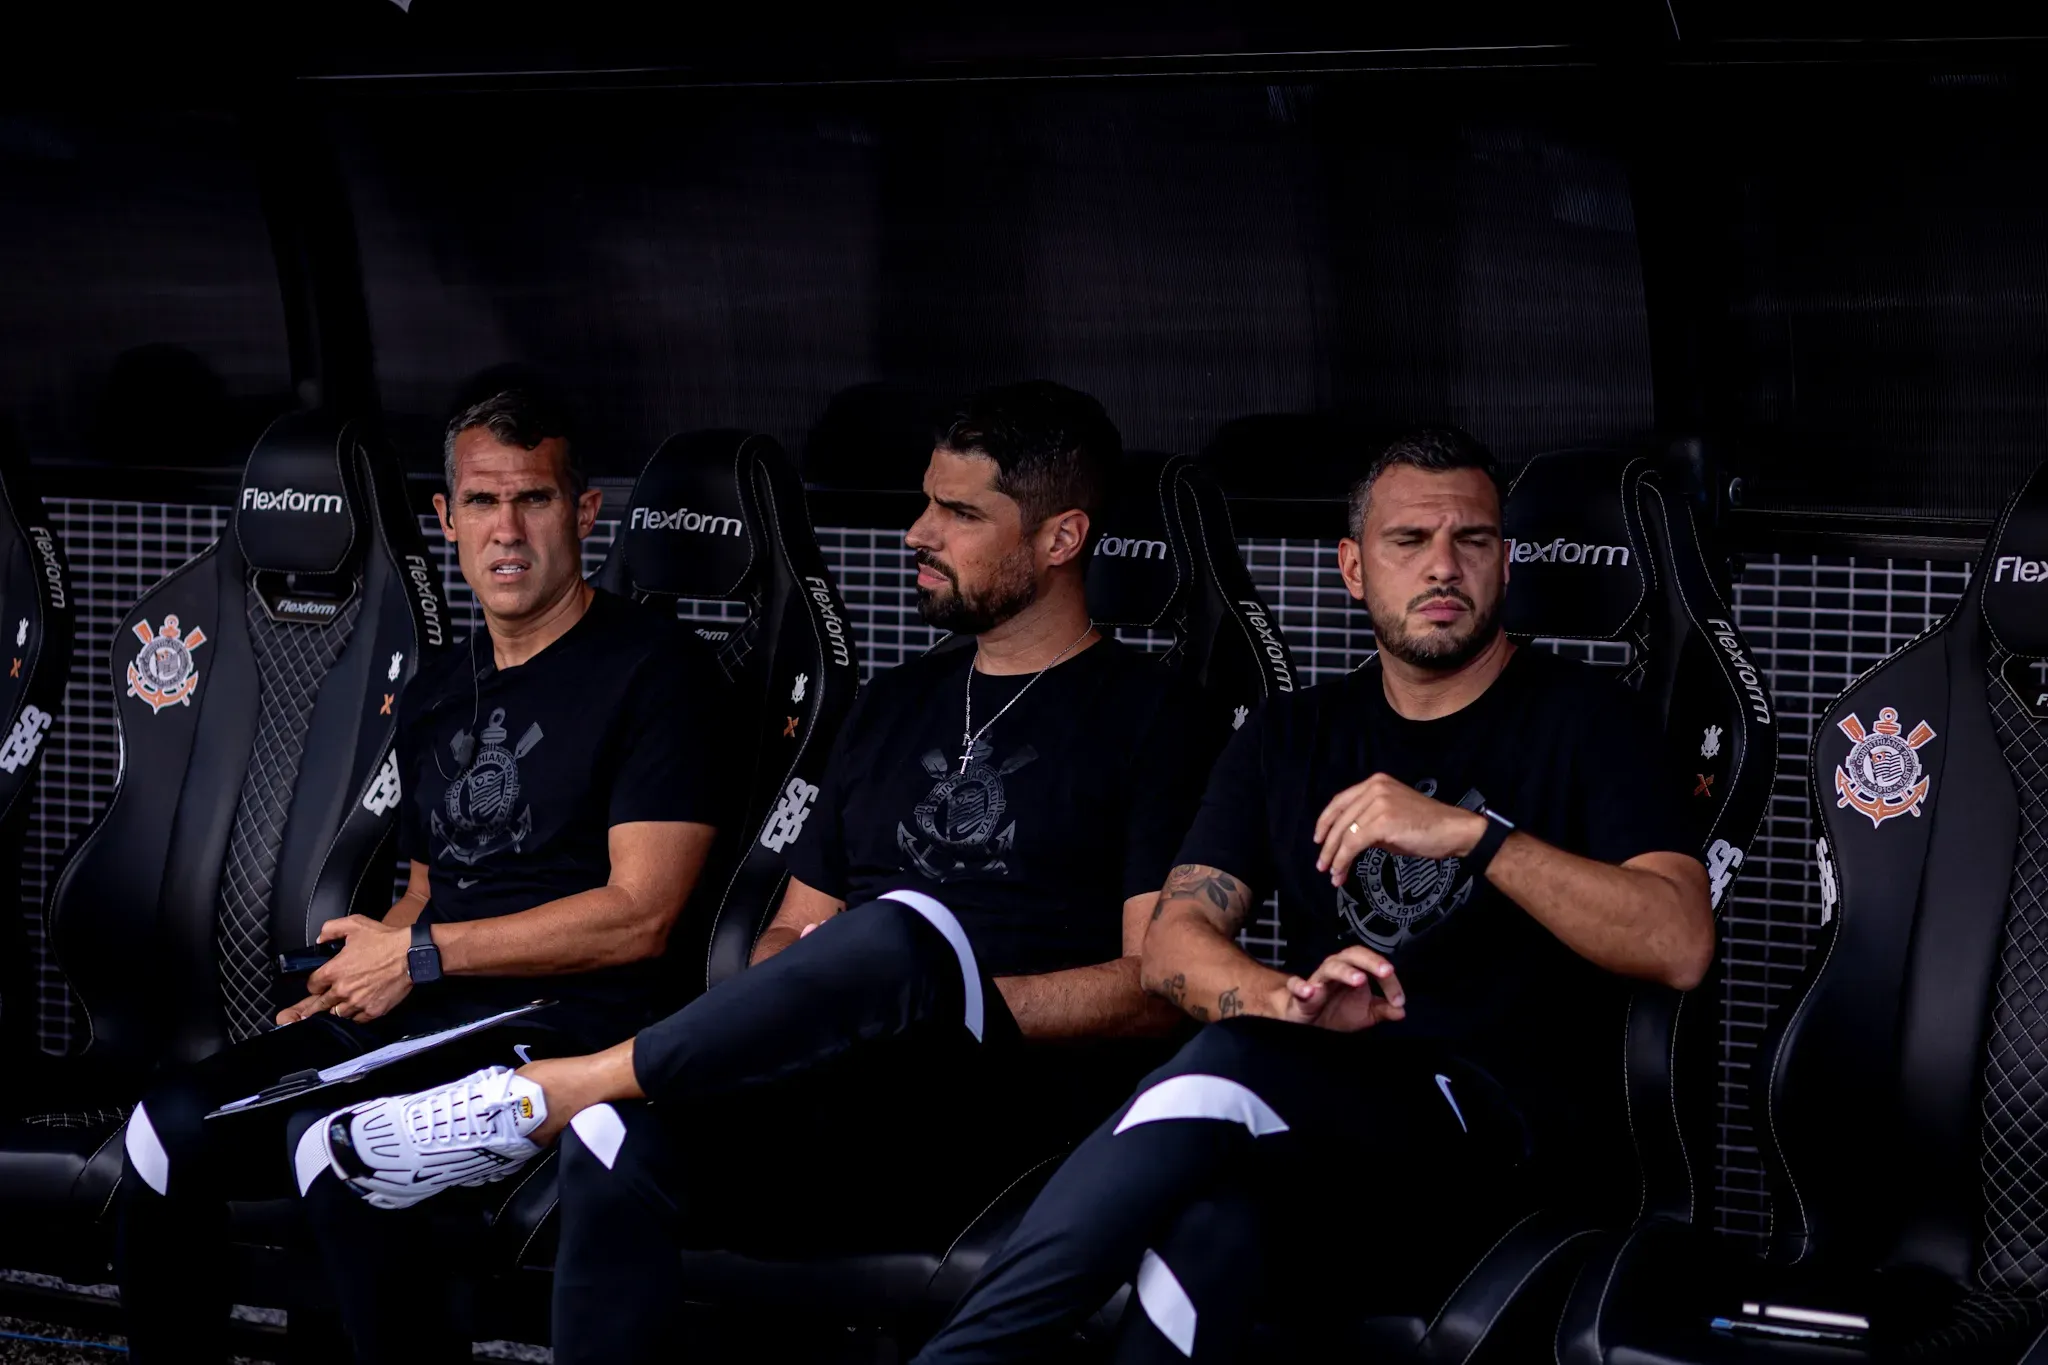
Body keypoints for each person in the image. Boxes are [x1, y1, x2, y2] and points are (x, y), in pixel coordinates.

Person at [316, 380, 1229, 1364]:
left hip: (999, 1103)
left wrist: (925, 995)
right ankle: (583, 1102)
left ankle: (567, 1083)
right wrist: (844, 1001)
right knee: (616, 1147)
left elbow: (1156, 985)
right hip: (838, 1092)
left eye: (959, 514)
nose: (917, 532)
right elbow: (790, 933)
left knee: (897, 932)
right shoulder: (889, 704)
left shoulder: (1156, 720)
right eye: (923, 502)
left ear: (1059, 540)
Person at [906, 427, 1716, 1363]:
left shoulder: (1590, 721)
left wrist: (1474, 835)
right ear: (1353, 568)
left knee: (1232, 1061)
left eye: (1474, 541)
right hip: (1331, 1134)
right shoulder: (1293, 735)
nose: (1443, 566)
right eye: (1409, 542)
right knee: (1211, 1224)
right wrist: (1289, 1004)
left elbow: (1678, 939)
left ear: (1506, 562)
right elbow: (1175, 945)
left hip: (1501, 1145)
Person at [113, 388, 734, 1364]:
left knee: (339, 1146)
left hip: (565, 1027)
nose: (508, 531)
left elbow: (638, 917)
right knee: (161, 1132)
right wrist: (366, 964)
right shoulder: (442, 681)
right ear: (446, 519)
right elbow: (425, 881)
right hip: (430, 1009)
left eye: (534, 499)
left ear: (584, 512)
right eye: (483, 504)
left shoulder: (659, 672)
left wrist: (421, 955)